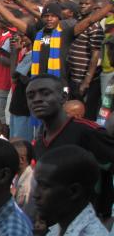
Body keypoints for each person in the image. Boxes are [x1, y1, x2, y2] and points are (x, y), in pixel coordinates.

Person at [26, 74, 114, 217]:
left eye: (45, 93)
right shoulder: (40, 142)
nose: (37, 99)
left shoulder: (87, 132)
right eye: (31, 96)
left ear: (63, 97)